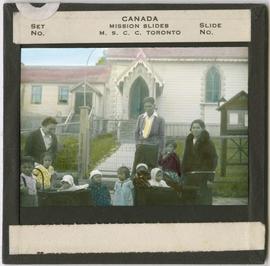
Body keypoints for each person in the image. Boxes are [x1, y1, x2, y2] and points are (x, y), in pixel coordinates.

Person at [182, 119, 218, 204]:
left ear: (203, 129)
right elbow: (185, 158)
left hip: (203, 177)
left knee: (203, 201)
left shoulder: (208, 143)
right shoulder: (189, 141)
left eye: (198, 127)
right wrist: (183, 173)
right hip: (190, 176)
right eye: (193, 127)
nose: (195, 130)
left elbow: (213, 160)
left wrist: (210, 178)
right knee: (189, 201)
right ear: (190, 129)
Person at [132, 97, 165, 173]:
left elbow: (162, 136)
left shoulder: (160, 119)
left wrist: (161, 150)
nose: (148, 108)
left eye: (150, 106)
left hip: (153, 147)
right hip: (141, 146)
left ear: (154, 106)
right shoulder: (141, 118)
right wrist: (137, 144)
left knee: (152, 170)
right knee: (138, 168)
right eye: (146, 106)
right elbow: (136, 132)